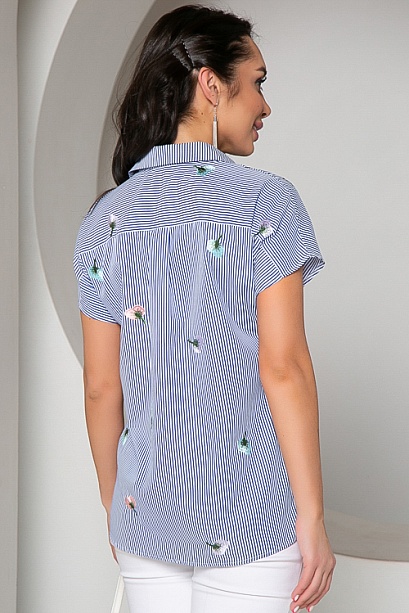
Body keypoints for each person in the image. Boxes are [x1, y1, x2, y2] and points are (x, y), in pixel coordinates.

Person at [73, 5, 335, 613]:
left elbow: (101, 387)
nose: (265, 105)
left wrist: (117, 507)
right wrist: (313, 518)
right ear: (211, 84)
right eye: (258, 81)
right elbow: (284, 368)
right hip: (255, 522)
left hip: (144, 523)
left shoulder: (105, 220)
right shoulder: (266, 203)